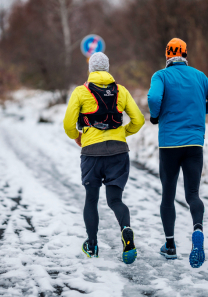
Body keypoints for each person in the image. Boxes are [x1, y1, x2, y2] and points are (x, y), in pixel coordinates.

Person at [147, 38, 208, 268]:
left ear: (167, 55)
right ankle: (197, 229)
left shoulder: (160, 76)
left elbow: (153, 98)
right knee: (193, 194)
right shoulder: (199, 76)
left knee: (168, 195)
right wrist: (201, 109)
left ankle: (170, 246)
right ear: (185, 55)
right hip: (194, 144)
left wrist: (155, 116)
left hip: (169, 144)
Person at [63, 52, 145, 264]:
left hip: (92, 153)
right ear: (107, 69)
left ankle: (92, 245)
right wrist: (122, 133)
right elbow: (139, 119)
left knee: (91, 199)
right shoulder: (121, 91)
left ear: (90, 69)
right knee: (115, 200)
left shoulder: (81, 92)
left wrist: (79, 137)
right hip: (119, 153)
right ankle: (126, 230)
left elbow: (68, 125)